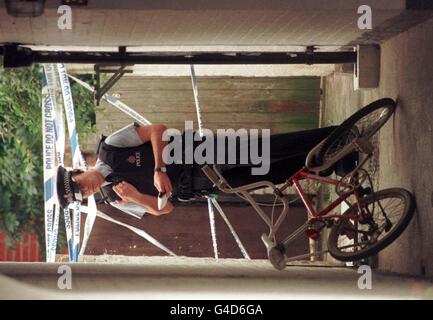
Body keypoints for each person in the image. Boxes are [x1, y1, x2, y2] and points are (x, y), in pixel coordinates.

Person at [57, 122, 355, 218]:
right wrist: (136, 197)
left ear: (77, 171)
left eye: (80, 186)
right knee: (274, 174)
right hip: (202, 185)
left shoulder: (110, 146)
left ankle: (341, 134)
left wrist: (159, 168)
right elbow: (164, 210)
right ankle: (338, 160)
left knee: (271, 149)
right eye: (82, 195)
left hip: (200, 152)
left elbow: (157, 130)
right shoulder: (114, 197)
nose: (87, 191)